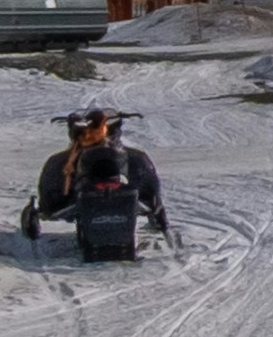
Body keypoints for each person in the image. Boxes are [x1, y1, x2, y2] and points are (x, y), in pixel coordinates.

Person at [23, 111, 179, 261]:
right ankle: (153, 210)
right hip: (88, 198)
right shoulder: (65, 160)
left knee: (141, 164)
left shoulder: (131, 157)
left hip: (94, 198)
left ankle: (152, 207)